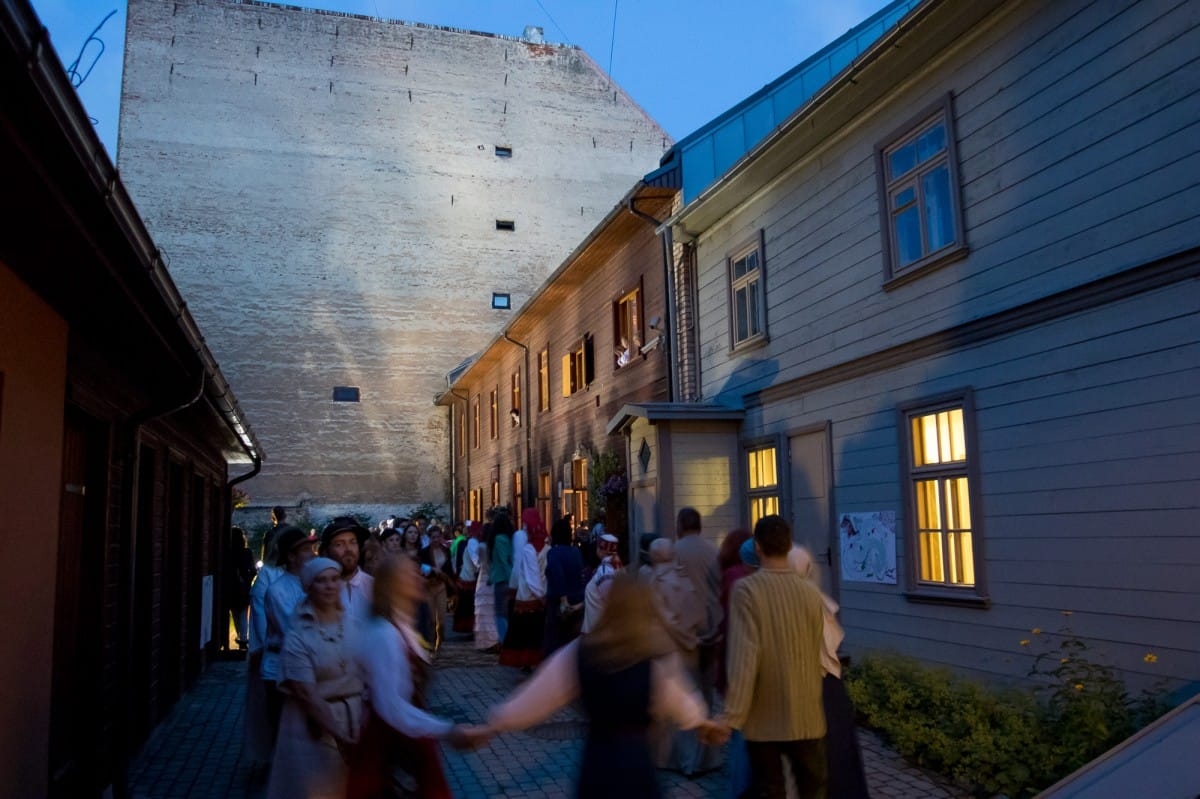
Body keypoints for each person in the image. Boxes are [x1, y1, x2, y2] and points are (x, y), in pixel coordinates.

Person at [485, 573, 729, 798]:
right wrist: (703, 723)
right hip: (637, 770)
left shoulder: (579, 654)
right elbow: (684, 705)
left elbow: (531, 703)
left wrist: (492, 725)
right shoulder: (653, 660)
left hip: (598, 767)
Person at [349, 555, 484, 799]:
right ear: (392, 585)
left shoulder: (402, 626)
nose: (416, 577)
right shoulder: (384, 633)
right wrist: (447, 730)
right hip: (389, 746)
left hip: (409, 738)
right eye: (407, 574)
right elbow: (391, 706)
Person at [719, 515, 828, 799]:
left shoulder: (747, 590)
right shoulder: (811, 593)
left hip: (764, 716)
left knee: (770, 790)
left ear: (757, 547)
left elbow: (745, 659)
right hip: (807, 713)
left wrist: (732, 717)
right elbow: (818, 649)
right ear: (788, 545)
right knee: (813, 790)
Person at [266, 557, 362, 799]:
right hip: (312, 728)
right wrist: (340, 738)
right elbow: (306, 693)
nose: (330, 586)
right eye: (321, 581)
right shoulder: (298, 636)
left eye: (334, 579)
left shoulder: (354, 624)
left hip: (354, 718)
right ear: (309, 586)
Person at [262, 526, 318, 749]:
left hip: (310, 670)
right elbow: (292, 631)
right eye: (306, 550)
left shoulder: (314, 583)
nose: (313, 554)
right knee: (286, 739)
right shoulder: (278, 591)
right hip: (280, 671)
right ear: (291, 557)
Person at [246, 521, 288, 764]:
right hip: (270, 655)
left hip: (294, 656)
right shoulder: (268, 576)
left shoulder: (298, 575)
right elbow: (261, 618)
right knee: (269, 715)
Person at [673, 508, 723, 709]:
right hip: (711, 624)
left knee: (688, 682)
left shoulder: (675, 551)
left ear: (680, 525)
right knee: (707, 681)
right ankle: (708, 719)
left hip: (686, 627)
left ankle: (693, 726)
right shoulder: (713, 550)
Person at [500, 509, 548, 669]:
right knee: (537, 630)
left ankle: (527, 661)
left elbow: (530, 575)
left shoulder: (528, 549)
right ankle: (535, 660)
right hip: (543, 592)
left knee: (526, 631)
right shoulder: (547, 546)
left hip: (528, 595)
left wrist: (539, 594)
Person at [543, 516, 586, 656]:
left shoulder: (553, 553)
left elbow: (558, 575)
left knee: (555, 637)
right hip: (577, 596)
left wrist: (563, 599)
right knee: (572, 636)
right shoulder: (575, 552)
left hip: (559, 600)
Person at [319, 516, 374, 620]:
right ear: (326, 551)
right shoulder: (318, 593)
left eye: (353, 542)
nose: (348, 549)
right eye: (339, 544)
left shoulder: (374, 588)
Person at [418, 526, 454, 650]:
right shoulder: (424, 552)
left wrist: (449, 580)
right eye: (433, 537)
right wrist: (433, 571)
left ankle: (440, 643)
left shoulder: (446, 551)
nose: (436, 540)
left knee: (442, 620)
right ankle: (432, 643)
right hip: (429, 586)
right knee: (432, 619)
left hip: (441, 586)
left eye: (438, 537)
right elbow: (421, 568)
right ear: (429, 538)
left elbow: (449, 569)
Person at [581, 532, 621, 634]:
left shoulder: (604, 572)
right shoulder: (614, 567)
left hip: (598, 632)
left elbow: (611, 600)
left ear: (601, 550)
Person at [226, 526, 257, 650]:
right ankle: (243, 637)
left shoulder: (229, 552)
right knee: (243, 612)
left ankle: (241, 636)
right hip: (244, 587)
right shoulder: (247, 552)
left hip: (231, 586)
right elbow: (253, 570)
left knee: (234, 612)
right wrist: (248, 580)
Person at [486, 513, 514, 643]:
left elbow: (503, 560)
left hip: (502, 579)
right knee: (504, 611)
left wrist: (510, 579)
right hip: (502, 577)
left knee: (500, 611)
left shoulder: (499, 539)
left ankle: (504, 639)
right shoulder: (508, 538)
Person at [473, 526, 500, 652]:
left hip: (484, 578)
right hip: (494, 578)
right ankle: (495, 640)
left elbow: (482, 564)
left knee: (483, 612)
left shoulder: (481, 546)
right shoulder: (494, 546)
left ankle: (487, 641)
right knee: (492, 611)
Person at [452, 521, 481, 634]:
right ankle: (468, 627)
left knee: (468, 605)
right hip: (468, 578)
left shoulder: (471, 541)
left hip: (468, 576)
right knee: (468, 605)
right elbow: (475, 560)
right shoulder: (473, 542)